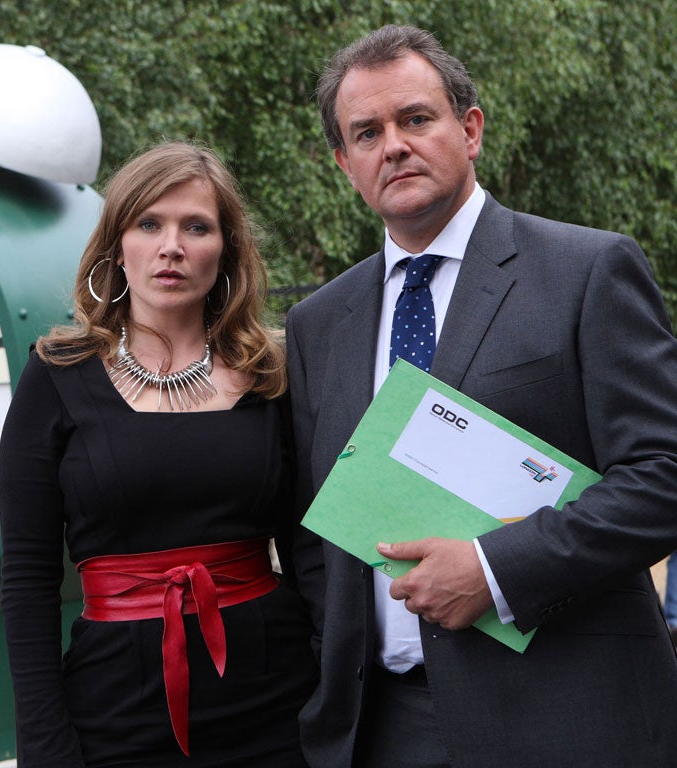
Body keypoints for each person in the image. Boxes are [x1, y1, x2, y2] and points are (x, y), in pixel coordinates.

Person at [286, 24, 677, 768]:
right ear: (344, 162)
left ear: (470, 130)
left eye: (415, 118)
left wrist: (495, 571)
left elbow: (664, 476)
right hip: (379, 728)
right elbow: (315, 531)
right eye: (366, 132)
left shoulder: (587, 270)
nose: (393, 145)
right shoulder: (316, 324)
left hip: (567, 715)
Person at [0, 141, 317, 766]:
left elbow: (310, 549)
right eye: (149, 223)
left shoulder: (272, 375)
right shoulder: (55, 375)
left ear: (225, 251)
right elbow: (28, 579)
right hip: (115, 708)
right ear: (118, 246)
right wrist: (43, 742)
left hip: (276, 704)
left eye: (196, 226)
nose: (171, 245)